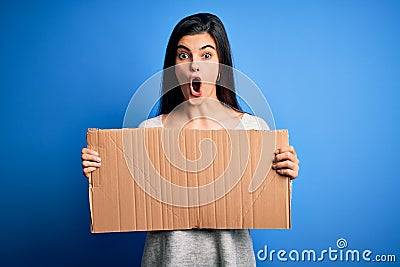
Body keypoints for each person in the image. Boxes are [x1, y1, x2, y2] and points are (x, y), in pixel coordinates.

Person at [81, 13, 299, 266]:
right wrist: (101, 172)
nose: (195, 65)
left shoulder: (252, 129)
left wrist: (284, 175)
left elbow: (265, 206)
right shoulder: (149, 132)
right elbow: (127, 204)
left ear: (221, 67)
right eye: (184, 55)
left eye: (206, 55)